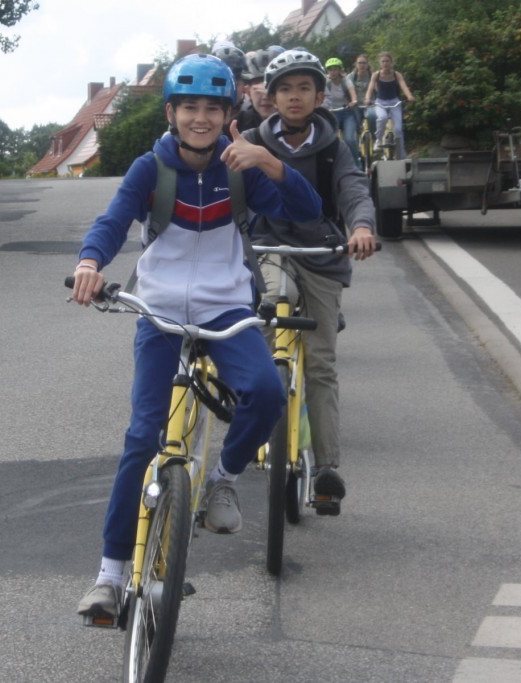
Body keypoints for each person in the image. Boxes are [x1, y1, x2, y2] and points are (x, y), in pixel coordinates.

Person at [72, 53, 323, 620]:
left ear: (228, 114)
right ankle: (109, 576)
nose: (201, 118)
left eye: (212, 108)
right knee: (143, 438)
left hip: (226, 309)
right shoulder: (150, 169)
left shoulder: (241, 169)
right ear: (171, 113)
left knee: (266, 393)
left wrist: (270, 162)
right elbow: (112, 221)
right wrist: (90, 262)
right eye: (189, 107)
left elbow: (307, 213)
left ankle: (222, 481)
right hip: (159, 312)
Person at [242, 49, 378, 513]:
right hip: (269, 248)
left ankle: (325, 470)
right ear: (272, 96)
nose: (294, 96)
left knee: (320, 363)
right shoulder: (251, 141)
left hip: (321, 255)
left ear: (320, 97)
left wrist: (361, 227)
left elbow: (353, 190)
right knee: (270, 320)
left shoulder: (333, 147)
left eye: (304, 88)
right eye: (285, 89)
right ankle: (261, 429)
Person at [364, 51, 415, 160]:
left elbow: (403, 86)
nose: (385, 63)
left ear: (391, 62)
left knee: (398, 130)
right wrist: (367, 98)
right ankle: (378, 139)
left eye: (387, 61)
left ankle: (401, 156)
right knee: (382, 118)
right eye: (383, 61)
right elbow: (370, 88)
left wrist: (409, 96)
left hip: (394, 102)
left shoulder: (396, 75)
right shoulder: (376, 75)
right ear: (380, 63)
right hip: (380, 102)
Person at [322, 57, 360, 168]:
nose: (332, 72)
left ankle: (357, 165)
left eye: (335, 69)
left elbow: (353, 93)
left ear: (340, 70)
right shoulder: (326, 82)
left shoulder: (346, 81)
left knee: (350, 139)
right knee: (331, 140)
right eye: (330, 70)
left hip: (347, 112)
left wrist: (354, 101)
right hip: (332, 113)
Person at [234, 46, 283, 132]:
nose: (265, 96)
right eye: (258, 89)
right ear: (248, 92)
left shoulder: (303, 122)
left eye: (272, 88)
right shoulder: (237, 124)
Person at [346, 54, 376, 144]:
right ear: (356, 64)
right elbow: (346, 91)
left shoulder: (372, 76)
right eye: (359, 63)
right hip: (356, 105)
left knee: (372, 116)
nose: (362, 65)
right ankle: (358, 140)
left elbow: (379, 90)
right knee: (356, 122)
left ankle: (374, 138)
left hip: (370, 104)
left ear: (367, 64)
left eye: (364, 63)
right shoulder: (350, 77)